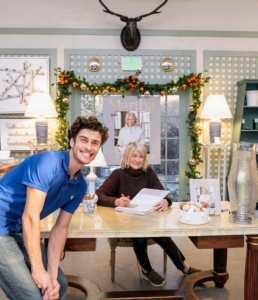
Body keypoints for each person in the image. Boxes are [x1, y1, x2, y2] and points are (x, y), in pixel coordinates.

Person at [0, 116, 109, 300]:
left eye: (95, 143)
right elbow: (31, 217)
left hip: (17, 229)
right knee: (32, 295)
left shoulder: (80, 185)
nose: (88, 147)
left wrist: (50, 274)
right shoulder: (47, 163)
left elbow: (60, 229)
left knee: (59, 283)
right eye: (84, 140)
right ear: (72, 141)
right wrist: (38, 270)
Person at [96, 142, 200, 287]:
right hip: (124, 223)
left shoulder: (149, 173)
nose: (137, 160)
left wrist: (165, 201)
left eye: (141, 157)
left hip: (147, 220)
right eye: (134, 156)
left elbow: (165, 195)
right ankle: (147, 270)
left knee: (164, 237)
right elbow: (98, 195)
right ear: (127, 156)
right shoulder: (118, 174)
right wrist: (117, 201)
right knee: (139, 236)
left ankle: (184, 267)